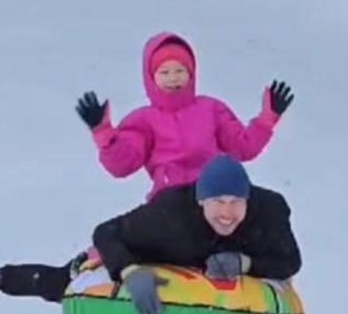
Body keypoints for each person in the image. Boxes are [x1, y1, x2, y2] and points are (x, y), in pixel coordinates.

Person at [0, 156, 302, 314]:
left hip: (190, 275)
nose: (227, 213)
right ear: (201, 200)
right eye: (218, 202)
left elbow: (289, 261)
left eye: (236, 202)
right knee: (59, 284)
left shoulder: (268, 211)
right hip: (131, 254)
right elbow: (105, 232)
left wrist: (246, 263)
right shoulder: (170, 214)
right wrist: (128, 272)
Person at [75, 31, 294, 202]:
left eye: (180, 71)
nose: (173, 78)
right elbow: (122, 165)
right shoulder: (144, 121)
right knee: (127, 231)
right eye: (164, 72)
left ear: (191, 73)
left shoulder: (210, 109)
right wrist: (104, 134)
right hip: (170, 200)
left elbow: (243, 148)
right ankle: (100, 256)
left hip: (214, 196)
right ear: (151, 78)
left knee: (268, 205)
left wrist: (268, 119)